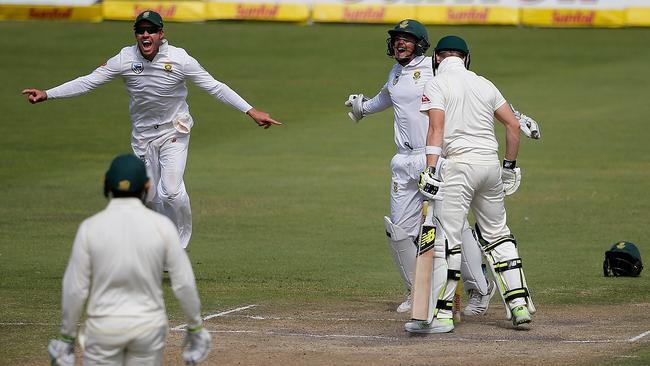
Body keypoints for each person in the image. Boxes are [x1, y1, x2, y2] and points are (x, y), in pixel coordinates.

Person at [22, 10, 281, 250]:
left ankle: (176, 248)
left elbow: (215, 86)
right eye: (140, 30)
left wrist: (251, 111)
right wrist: (48, 94)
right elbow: (88, 82)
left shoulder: (180, 58)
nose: (145, 35)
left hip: (174, 131)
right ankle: (160, 243)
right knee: (150, 196)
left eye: (151, 30)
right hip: (143, 137)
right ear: (136, 34)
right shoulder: (125, 58)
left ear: (161, 33)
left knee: (171, 191)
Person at [344, 19, 540, 316]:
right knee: (400, 230)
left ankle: (480, 290)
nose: (400, 43)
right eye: (397, 38)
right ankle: (417, 292)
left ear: (422, 44)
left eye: (407, 39)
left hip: (435, 156)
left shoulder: (435, 69)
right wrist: (364, 108)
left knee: (453, 227)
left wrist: (518, 117)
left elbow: (469, 89)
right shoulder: (396, 72)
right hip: (403, 161)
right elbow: (388, 95)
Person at [412, 35, 536, 333]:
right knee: (497, 234)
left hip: (458, 168)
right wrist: (509, 167)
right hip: (490, 166)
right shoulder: (484, 83)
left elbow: (436, 129)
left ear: (437, 58)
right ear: (466, 58)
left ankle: (441, 316)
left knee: (447, 238)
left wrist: (430, 170)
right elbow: (514, 126)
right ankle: (518, 305)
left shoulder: (437, 84)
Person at [47, 154, 211, 365]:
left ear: (107, 184)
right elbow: (184, 282)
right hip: (148, 329)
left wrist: (67, 337)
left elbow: (75, 288)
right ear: (146, 185)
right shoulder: (162, 227)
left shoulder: (90, 227)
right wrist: (195, 327)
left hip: (103, 329)